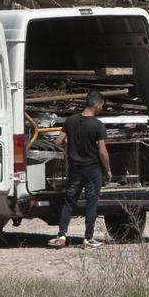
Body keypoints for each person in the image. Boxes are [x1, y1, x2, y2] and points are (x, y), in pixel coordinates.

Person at [48, 90, 112, 248]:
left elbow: (58, 141)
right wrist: (108, 170)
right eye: (102, 106)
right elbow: (102, 151)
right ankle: (88, 239)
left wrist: (68, 147)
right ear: (96, 104)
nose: (101, 108)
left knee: (69, 202)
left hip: (75, 169)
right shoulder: (98, 125)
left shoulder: (70, 120)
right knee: (91, 203)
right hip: (92, 170)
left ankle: (62, 235)